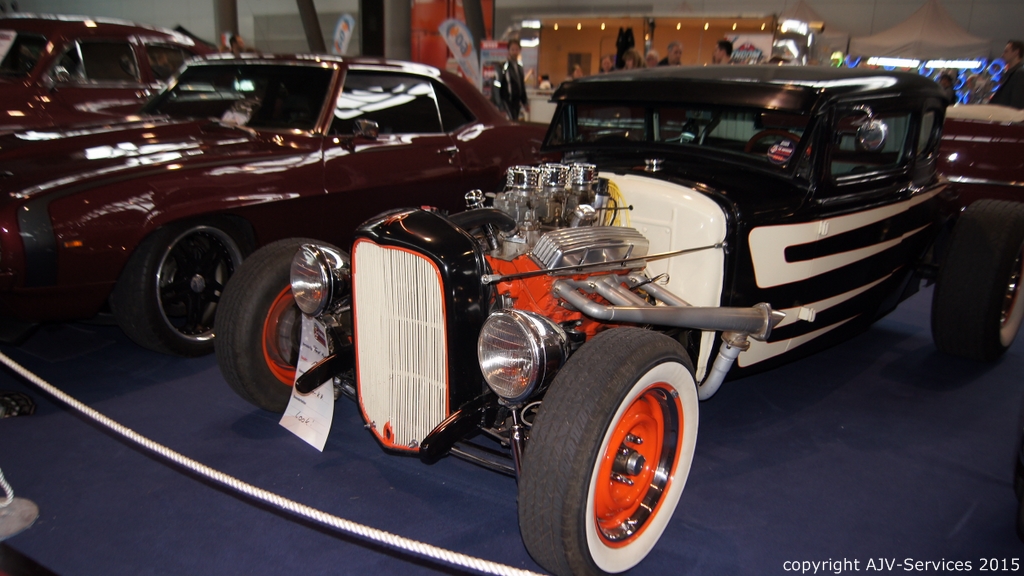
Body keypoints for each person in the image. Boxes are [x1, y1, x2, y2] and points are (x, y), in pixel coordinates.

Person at [498, 37, 529, 120]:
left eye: (516, 50)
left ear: (519, 50)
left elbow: (521, 86)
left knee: (515, 121)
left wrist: (525, 102)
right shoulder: (503, 66)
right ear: (508, 50)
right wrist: (500, 105)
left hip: (516, 102)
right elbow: (497, 87)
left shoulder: (519, 68)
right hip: (507, 101)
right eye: (512, 49)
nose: (515, 52)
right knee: (510, 121)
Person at [991, 40, 1024, 109]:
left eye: (1006, 51)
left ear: (1016, 52)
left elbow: (1017, 102)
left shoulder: (1019, 74)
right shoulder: (1009, 74)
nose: (1002, 55)